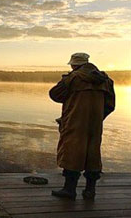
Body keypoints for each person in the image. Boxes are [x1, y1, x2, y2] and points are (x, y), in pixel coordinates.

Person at [49, 53, 115, 200]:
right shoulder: (106, 80)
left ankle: (69, 190)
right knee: (93, 155)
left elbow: (54, 94)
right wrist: (98, 117)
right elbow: (110, 105)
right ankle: (90, 191)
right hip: (95, 125)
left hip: (74, 121)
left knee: (72, 152)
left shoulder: (73, 78)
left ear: (74, 64)